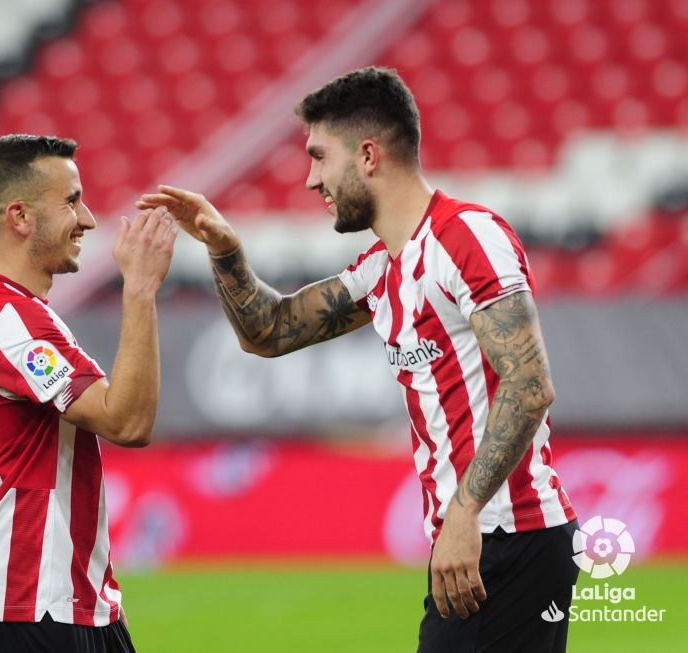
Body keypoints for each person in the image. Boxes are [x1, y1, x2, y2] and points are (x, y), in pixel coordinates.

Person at [138, 66, 579, 653]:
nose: (309, 179)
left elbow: (529, 383)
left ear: (368, 155)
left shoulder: (468, 237)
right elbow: (270, 331)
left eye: (320, 157)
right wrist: (224, 249)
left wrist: (464, 512)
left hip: (508, 534)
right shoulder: (382, 268)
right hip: (475, 537)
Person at [0, 134, 175, 653]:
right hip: (34, 603)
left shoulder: (10, 313)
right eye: (71, 201)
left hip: (68, 600)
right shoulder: (8, 321)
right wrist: (139, 289)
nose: (89, 219)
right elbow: (126, 422)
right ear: (20, 217)